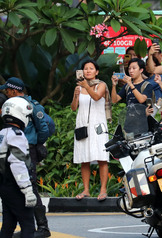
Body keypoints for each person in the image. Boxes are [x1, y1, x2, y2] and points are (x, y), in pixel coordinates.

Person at [1, 77, 51, 237]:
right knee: (24, 189)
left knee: (31, 187)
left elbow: (44, 128)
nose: (6, 93)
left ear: (14, 90)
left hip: (26, 149)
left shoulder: (29, 106)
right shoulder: (13, 115)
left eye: (7, 90)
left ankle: (43, 227)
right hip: (18, 152)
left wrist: (34, 144)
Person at [71, 60, 111, 203]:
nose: (88, 71)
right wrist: (76, 95)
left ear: (97, 72)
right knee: (84, 158)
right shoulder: (79, 87)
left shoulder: (101, 85)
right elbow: (74, 108)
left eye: (91, 68)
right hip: (82, 124)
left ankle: (103, 190)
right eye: (85, 69)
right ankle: (86, 190)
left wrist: (86, 86)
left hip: (98, 126)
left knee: (102, 157)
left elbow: (96, 97)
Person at [0, 97, 37, 238]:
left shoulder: (2, 133)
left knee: (8, 224)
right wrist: (27, 189)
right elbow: (17, 164)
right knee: (28, 225)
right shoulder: (17, 135)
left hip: (4, 185)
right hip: (16, 187)